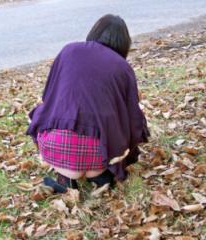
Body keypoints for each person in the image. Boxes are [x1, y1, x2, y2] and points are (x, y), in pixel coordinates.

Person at [26, 14, 150, 193]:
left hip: (56, 146)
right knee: (119, 122)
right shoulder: (123, 67)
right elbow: (133, 117)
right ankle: (100, 177)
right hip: (100, 153)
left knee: (41, 111)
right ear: (124, 42)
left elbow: (48, 95)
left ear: (95, 32)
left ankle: (66, 178)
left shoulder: (69, 50)